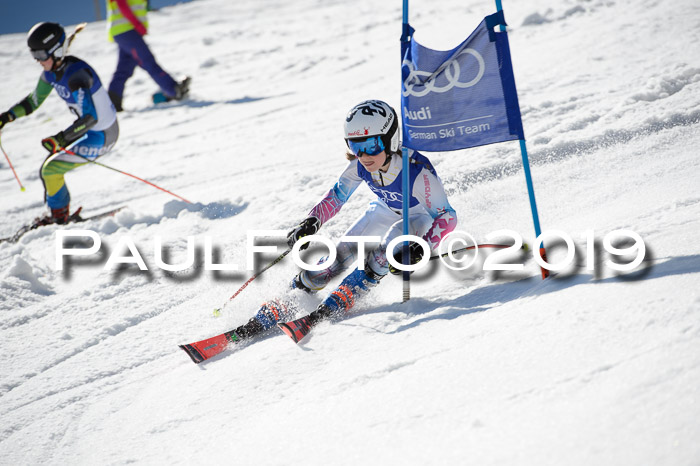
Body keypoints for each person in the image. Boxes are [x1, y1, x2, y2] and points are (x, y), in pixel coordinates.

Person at [234, 100, 458, 341]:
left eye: (372, 145)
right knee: (335, 259)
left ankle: (350, 291)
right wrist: (311, 222)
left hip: (418, 217)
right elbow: (336, 198)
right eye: (355, 146)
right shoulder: (359, 165)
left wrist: (422, 247)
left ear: (390, 139)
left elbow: (447, 215)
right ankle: (291, 298)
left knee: (388, 250)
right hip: (383, 210)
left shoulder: (416, 171)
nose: (364, 155)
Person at [0, 22, 119, 226]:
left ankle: (59, 219)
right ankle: (59, 215)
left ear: (56, 52)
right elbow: (33, 101)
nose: (37, 61)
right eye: (34, 55)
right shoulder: (51, 73)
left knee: (50, 169)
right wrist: (6, 117)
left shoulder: (76, 75)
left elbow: (91, 118)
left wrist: (61, 139)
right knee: (49, 168)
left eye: (40, 55)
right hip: (90, 132)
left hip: (103, 135)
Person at [106, 0, 189, 111]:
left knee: (124, 69)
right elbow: (122, 4)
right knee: (147, 61)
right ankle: (174, 90)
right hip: (128, 30)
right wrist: (138, 24)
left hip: (122, 31)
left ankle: (112, 104)